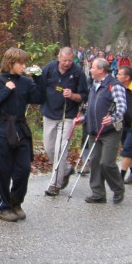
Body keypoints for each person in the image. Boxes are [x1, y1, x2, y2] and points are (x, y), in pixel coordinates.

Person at [0, 48, 42, 222]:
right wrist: (6, 90)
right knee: (2, 171)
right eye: (21, 63)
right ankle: (2, 206)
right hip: (1, 130)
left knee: (23, 169)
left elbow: (39, 98)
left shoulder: (25, 82)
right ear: (11, 63)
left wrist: (38, 79)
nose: (24, 66)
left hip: (20, 129)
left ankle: (15, 201)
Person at [38, 46, 89, 195]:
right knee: (49, 148)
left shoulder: (78, 72)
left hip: (68, 115)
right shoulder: (49, 68)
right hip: (49, 113)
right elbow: (39, 85)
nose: (67, 63)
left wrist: (73, 95)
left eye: (70, 60)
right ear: (59, 57)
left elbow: (84, 96)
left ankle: (55, 184)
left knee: (61, 149)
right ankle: (66, 169)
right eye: (64, 60)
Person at [83, 58, 128, 205]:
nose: (90, 70)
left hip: (111, 131)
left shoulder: (114, 86)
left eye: (93, 67)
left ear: (101, 70)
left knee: (107, 163)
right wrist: (83, 118)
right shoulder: (94, 85)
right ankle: (98, 193)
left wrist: (113, 118)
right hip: (94, 131)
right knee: (95, 162)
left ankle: (118, 188)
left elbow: (122, 108)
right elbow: (92, 107)